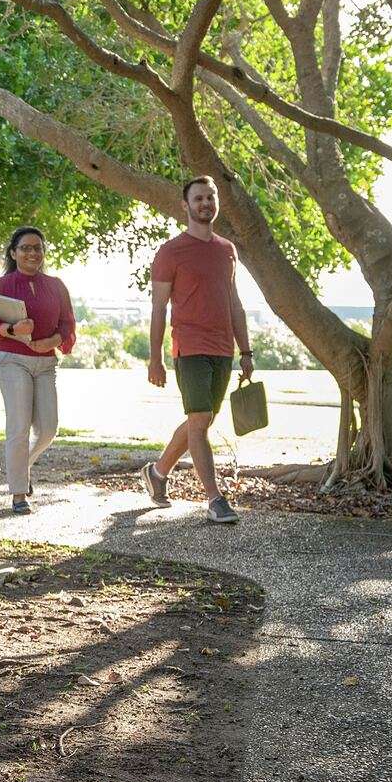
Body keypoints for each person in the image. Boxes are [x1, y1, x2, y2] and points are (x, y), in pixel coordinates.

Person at [142, 175, 252, 524]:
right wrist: (155, 358)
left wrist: (246, 351)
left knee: (199, 420)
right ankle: (215, 499)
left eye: (210, 197)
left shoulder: (227, 250)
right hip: (188, 346)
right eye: (199, 198)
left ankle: (157, 473)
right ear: (185, 205)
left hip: (223, 348)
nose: (205, 203)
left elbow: (234, 303)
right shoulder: (170, 252)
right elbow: (159, 307)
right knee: (200, 419)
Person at [0, 226, 76, 513]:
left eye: (37, 247)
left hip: (46, 363)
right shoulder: (1, 285)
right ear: (13, 253)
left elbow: (67, 325)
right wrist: (11, 329)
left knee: (48, 429)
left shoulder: (56, 285)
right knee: (19, 427)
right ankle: (19, 494)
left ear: (43, 252)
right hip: (12, 359)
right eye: (25, 248)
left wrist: (52, 341)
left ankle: (23, 468)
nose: (32, 253)